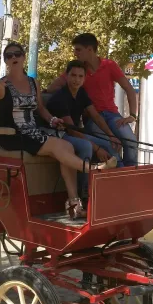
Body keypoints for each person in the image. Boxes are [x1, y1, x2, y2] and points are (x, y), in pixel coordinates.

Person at [0, 42, 117, 219]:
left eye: (17, 54)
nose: (14, 58)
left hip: (33, 131)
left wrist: (52, 119)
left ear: (23, 57)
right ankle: (94, 168)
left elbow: (40, 108)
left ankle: (74, 204)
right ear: (5, 60)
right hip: (13, 134)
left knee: (66, 146)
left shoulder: (33, 82)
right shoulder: (2, 85)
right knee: (56, 146)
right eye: (9, 55)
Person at [47, 33, 140, 167]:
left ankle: (132, 173)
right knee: (109, 145)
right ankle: (120, 173)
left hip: (112, 115)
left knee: (130, 141)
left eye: (78, 49)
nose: (75, 53)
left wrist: (132, 115)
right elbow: (55, 85)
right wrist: (42, 92)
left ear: (89, 49)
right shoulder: (79, 70)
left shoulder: (109, 65)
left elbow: (129, 88)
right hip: (92, 117)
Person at [47, 60, 124, 200]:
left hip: (74, 132)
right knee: (86, 146)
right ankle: (85, 193)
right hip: (58, 134)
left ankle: (119, 183)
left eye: (80, 76)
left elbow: (95, 115)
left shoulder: (81, 93)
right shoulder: (60, 97)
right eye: (73, 75)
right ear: (67, 76)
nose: (76, 80)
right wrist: (97, 149)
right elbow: (72, 130)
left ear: (84, 78)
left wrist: (111, 135)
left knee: (108, 143)